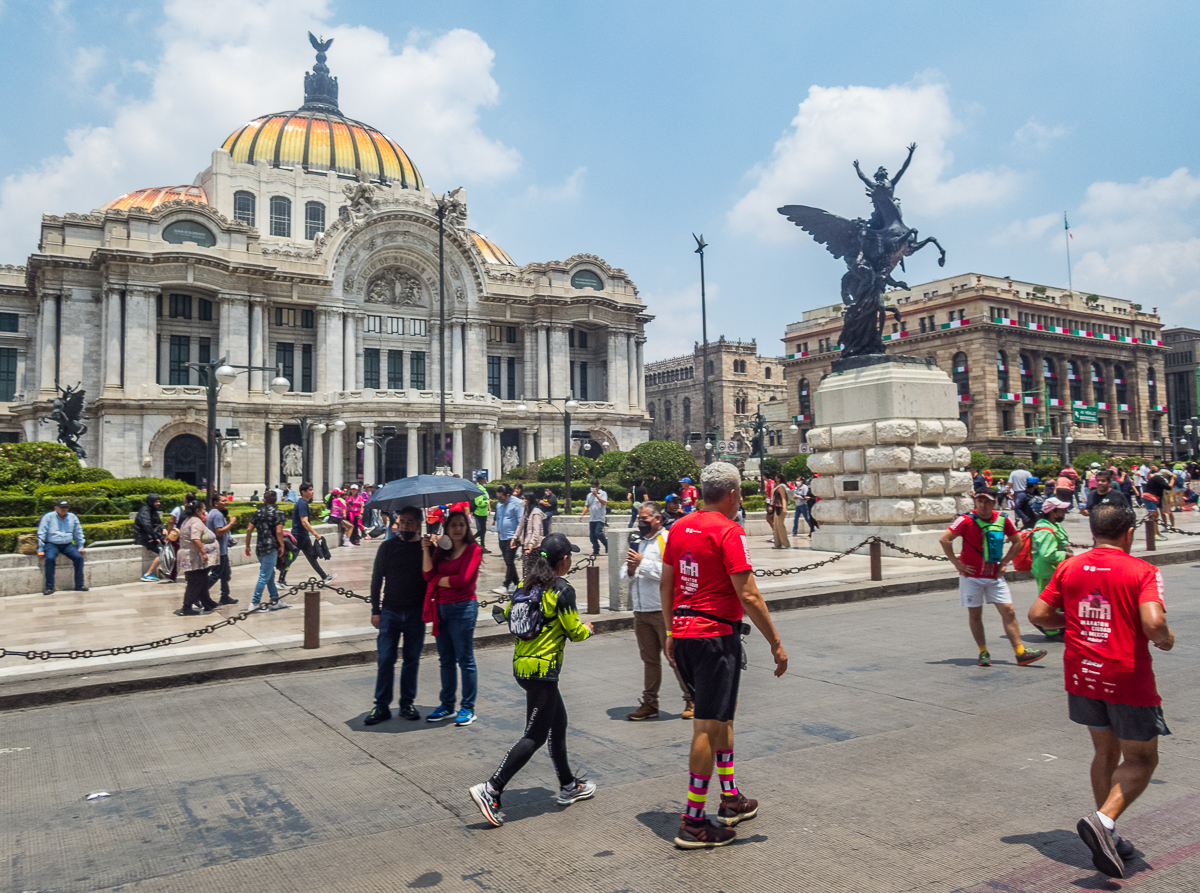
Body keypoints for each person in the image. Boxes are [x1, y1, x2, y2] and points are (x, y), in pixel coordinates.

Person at [1029, 504, 1174, 879]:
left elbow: (1039, 615)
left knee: (1105, 751)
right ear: (1128, 533)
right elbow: (1154, 623)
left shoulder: (1070, 566)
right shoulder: (1142, 571)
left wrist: (1073, 622)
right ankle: (1103, 821)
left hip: (1082, 673)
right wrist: (1165, 638)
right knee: (1141, 760)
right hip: (1125, 675)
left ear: (1093, 531)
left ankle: (1105, 830)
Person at [662, 462, 788, 849]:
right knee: (705, 726)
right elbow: (748, 594)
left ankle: (730, 798)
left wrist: (670, 631)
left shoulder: (679, 527)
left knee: (721, 716)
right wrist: (776, 643)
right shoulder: (729, 531)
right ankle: (693, 821)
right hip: (715, 636)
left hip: (684, 634)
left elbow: (667, 583)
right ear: (732, 494)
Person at [469, 532, 595, 826]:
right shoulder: (562, 591)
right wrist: (588, 628)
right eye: (570, 556)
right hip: (543, 672)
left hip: (523, 668)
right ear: (563, 560)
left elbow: (509, 619)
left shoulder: (526, 588)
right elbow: (574, 632)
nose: (571, 559)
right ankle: (491, 788)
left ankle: (568, 785)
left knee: (558, 722)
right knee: (535, 736)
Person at [939, 488, 1048, 668]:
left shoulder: (1002, 519)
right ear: (975, 502)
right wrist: (957, 564)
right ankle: (983, 651)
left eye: (987, 501)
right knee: (975, 614)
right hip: (971, 576)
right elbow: (945, 539)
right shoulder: (965, 520)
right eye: (979, 501)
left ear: (994, 503)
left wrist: (1005, 562)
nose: (982, 505)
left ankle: (1020, 653)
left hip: (994, 575)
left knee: (1009, 611)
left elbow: (1017, 541)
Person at [622, 502, 694, 721]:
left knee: (674, 658)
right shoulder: (638, 542)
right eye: (639, 518)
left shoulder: (667, 539)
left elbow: (671, 573)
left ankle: (692, 699)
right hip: (641, 611)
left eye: (644, 519)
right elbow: (624, 573)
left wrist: (642, 564)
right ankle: (650, 703)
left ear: (657, 519)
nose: (640, 522)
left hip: (662, 611)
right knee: (649, 660)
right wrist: (632, 569)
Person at [365, 506, 427, 725]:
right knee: (385, 659)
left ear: (419, 524)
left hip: (416, 611)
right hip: (390, 610)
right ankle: (381, 705)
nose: (405, 526)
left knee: (411, 660)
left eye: (410, 522)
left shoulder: (425, 549)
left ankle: (407, 703)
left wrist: (430, 548)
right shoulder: (387, 547)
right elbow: (376, 579)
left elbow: (432, 577)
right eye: (402, 522)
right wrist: (375, 610)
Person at [422, 510, 482, 726]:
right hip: (441, 609)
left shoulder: (474, 549)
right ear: (446, 528)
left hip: (463, 608)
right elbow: (428, 575)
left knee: (465, 659)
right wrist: (426, 549)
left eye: (461, 525)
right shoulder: (441, 550)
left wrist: (437, 581)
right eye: (453, 525)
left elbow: (462, 580)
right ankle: (447, 704)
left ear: (467, 528)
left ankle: (467, 707)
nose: (457, 529)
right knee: (445, 660)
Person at [1031, 496, 1074, 641]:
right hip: (1046, 570)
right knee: (1049, 601)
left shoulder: (1053, 525)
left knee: (1059, 599)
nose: (1064, 512)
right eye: (1061, 510)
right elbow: (1047, 553)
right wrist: (1066, 555)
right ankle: (1050, 629)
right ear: (1053, 512)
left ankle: (1059, 626)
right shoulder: (1045, 529)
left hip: (1054, 569)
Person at [281, 483, 336, 586]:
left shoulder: (303, 503)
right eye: (310, 490)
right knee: (291, 558)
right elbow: (304, 522)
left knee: (311, 558)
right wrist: (315, 534)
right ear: (304, 492)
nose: (312, 492)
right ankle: (281, 580)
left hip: (303, 536)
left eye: (312, 489)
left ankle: (324, 577)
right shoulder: (302, 503)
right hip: (299, 536)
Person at [244, 491, 287, 611]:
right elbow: (279, 531)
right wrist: (282, 545)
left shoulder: (257, 513)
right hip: (271, 547)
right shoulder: (278, 513)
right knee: (264, 576)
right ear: (276, 500)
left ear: (264, 499)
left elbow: (249, 529)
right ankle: (255, 602)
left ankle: (275, 599)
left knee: (269, 574)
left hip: (260, 547)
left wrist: (247, 545)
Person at [175, 501, 219, 615]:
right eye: (203, 509)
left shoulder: (187, 521)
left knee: (202, 580)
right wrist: (203, 553)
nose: (205, 511)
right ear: (197, 511)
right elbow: (195, 539)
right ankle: (186, 607)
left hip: (190, 555)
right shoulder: (196, 522)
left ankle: (207, 602)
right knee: (195, 582)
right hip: (193, 557)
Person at [36, 499, 87, 595]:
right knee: (50, 559)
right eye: (62, 508)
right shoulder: (48, 517)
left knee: (79, 558)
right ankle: (49, 587)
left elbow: (78, 532)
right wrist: (40, 549)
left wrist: (80, 546)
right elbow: (42, 533)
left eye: (66, 508)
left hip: (67, 544)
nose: (64, 510)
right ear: (56, 508)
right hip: (52, 543)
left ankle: (79, 585)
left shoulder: (72, 517)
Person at [200, 495, 238, 605]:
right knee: (216, 575)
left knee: (225, 574)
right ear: (216, 503)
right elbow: (219, 532)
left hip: (221, 550)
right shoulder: (217, 514)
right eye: (223, 500)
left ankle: (225, 596)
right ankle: (198, 594)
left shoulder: (213, 513)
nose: (226, 502)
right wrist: (231, 524)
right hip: (219, 551)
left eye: (226, 500)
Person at [492, 484, 523, 594]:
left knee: (509, 560)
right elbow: (499, 517)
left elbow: (521, 520)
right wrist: (498, 530)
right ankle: (516, 583)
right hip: (502, 536)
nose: (499, 499)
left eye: (501, 497)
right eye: (498, 497)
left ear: (508, 495)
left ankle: (506, 584)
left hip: (512, 536)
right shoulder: (499, 504)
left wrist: (517, 537)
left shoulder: (517, 503)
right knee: (507, 561)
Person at [134, 493, 167, 582]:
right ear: (151, 502)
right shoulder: (145, 511)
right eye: (156, 501)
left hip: (152, 537)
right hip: (145, 538)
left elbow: (159, 523)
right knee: (163, 552)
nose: (158, 503)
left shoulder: (153, 511)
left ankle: (165, 571)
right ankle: (148, 574)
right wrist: (155, 537)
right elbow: (146, 525)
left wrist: (164, 529)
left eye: (159, 501)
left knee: (169, 548)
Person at [515, 491, 547, 581]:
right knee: (526, 570)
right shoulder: (526, 512)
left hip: (533, 547)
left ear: (528, 500)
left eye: (523, 499)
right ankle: (527, 589)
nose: (521, 500)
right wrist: (515, 538)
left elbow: (536, 531)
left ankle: (532, 590)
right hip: (525, 544)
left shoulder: (536, 513)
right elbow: (520, 526)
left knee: (532, 571)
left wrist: (531, 544)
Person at [582, 479, 609, 555]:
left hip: (600, 518)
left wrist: (596, 496)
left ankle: (607, 544)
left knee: (598, 533)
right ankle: (596, 550)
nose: (592, 489)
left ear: (597, 487)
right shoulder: (589, 495)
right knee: (592, 536)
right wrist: (582, 514)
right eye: (591, 487)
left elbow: (604, 503)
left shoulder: (603, 493)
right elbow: (586, 505)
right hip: (592, 518)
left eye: (593, 487)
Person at [1142, 467, 1171, 536]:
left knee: (1154, 515)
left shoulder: (1155, 478)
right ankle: (1155, 534)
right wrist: (1173, 479)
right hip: (1150, 498)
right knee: (1154, 516)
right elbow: (1168, 487)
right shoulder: (1159, 479)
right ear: (1165, 475)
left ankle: (1156, 533)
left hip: (1149, 497)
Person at [768, 474, 790, 550]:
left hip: (780, 508)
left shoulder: (781, 487)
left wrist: (784, 508)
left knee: (780, 525)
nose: (775, 478)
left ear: (779, 479)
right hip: (776, 508)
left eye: (776, 477)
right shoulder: (777, 487)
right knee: (776, 526)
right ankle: (777, 543)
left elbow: (783, 498)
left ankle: (785, 543)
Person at [472, 477, 491, 553]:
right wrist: (488, 502)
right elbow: (478, 502)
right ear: (480, 480)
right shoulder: (479, 489)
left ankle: (482, 545)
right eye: (484, 480)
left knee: (483, 530)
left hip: (483, 512)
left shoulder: (482, 488)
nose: (486, 481)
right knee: (482, 530)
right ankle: (473, 539)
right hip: (479, 512)